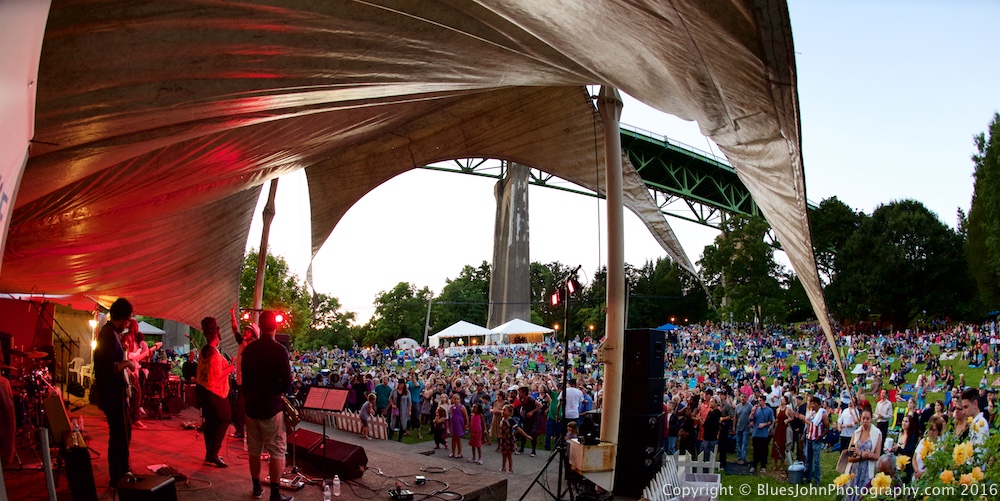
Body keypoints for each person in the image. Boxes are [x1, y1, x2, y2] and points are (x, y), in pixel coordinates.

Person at [242, 311, 293, 501]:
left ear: (259, 327)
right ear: (275, 327)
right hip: (271, 408)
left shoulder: (249, 349)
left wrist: (249, 396)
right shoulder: (280, 350)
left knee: (254, 450)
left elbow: (244, 380)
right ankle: (275, 493)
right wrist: (277, 393)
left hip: (252, 406)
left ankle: (256, 488)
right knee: (277, 451)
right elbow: (287, 381)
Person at [93, 298, 137, 487]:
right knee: (119, 433)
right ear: (123, 317)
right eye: (128, 319)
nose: (129, 324)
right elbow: (108, 367)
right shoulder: (108, 335)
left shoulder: (111, 333)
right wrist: (127, 363)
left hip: (116, 392)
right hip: (111, 393)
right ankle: (116, 474)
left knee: (124, 429)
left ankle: (123, 468)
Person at [196, 316, 234, 468]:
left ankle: (209, 454)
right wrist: (230, 368)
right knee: (225, 418)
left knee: (211, 421)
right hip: (213, 392)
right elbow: (217, 375)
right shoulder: (213, 353)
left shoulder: (204, 350)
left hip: (203, 390)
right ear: (216, 335)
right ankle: (213, 453)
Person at [230, 303, 259, 440]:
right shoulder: (243, 343)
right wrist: (232, 315)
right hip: (240, 380)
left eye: (248, 331)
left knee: (241, 407)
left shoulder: (253, 346)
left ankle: (242, 431)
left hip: (247, 382)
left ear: (253, 334)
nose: (245, 332)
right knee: (239, 407)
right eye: (245, 331)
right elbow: (235, 330)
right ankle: (240, 430)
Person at [845, 410, 882, 501]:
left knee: (863, 496)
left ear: (871, 419)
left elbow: (877, 456)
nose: (865, 421)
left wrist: (862, 454)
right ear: (860, 419)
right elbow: (849, 457)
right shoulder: (856, 433)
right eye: (863, 418)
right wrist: (860, 457)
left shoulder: (877, 434)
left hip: (867, 471)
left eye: (867, 419)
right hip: (854, 471)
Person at [803, 396, 829, 487]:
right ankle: (808, 477)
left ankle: (817, 480)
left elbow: (827, 428)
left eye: (814, 403)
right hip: (810, 438)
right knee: (808, 459)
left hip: (816, 440)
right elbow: (811, 424)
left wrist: (820, 436)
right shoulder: (813, 413)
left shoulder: (823, 414)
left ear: (818, 404)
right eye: (811, 403)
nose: (812, 405)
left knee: (816, 461)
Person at [749, 394, 774, 474]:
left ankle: (763, 466)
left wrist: (764, 424)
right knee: (755, 450)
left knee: (764, 450)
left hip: (764, 434)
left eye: (760, 401)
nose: (759, 402)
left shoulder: (769, 410)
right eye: (758, 401)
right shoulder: (756, 409)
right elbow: (751, 418)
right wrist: (752, 413)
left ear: (764, 401)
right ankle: (754, 465)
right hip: (756, 433)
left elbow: (771, 421)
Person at [890, 413, 918, 482]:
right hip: (897, 464)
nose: (904, 423)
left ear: (910, 423)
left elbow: (909, 451)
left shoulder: (912, 436)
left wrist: (898, 448)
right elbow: (897, 450)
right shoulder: (900, 434)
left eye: (906, 421)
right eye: (903, 421)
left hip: (906, 466)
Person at [734, 392, 752, 464]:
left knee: (744, 443)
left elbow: (752, 415)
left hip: (746, 427)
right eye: (742, 397)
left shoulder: (750, 406)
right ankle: (739, 456)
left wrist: (751, 422)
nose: (743, 399)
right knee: (738, 442)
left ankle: (742, 458)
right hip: (738, 426)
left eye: (744, 397)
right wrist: (733, 427)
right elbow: (735, 417)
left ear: (746, 398)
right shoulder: (737, 406)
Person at [772, 396, 789, 469]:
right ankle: (775, 462)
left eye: (783, 400)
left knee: (782, 444)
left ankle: (782, 462)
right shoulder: (778, 410)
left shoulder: (788, 409)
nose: (781, 401)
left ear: (785, 402)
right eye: (781, 400)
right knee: (776, 444)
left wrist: (788, 420)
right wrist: (775, 421)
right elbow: (777, 418)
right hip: (778, 428)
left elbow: (792, 417)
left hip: (784, 428)